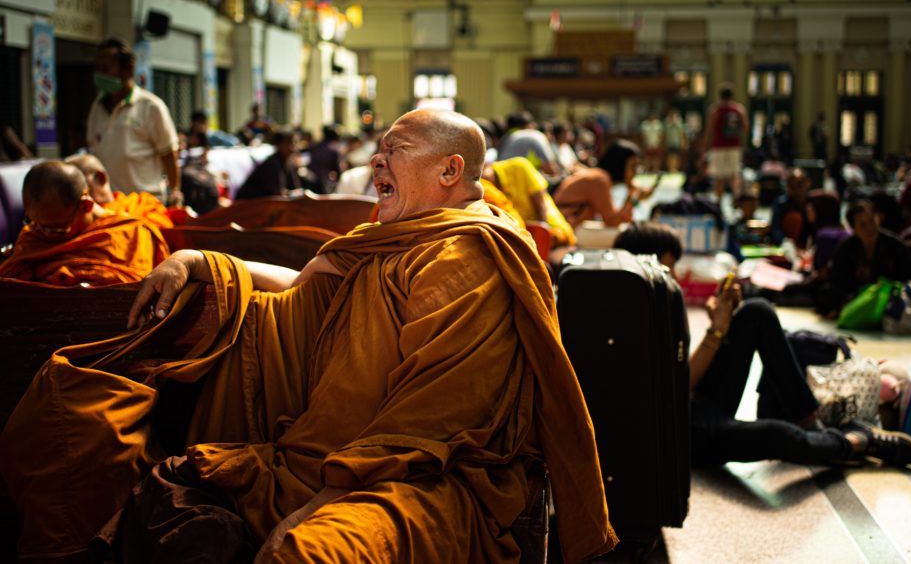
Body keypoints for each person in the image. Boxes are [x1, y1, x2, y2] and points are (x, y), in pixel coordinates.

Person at [0, 109, 617, 563]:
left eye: (394, 151)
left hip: (425, 481)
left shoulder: (464, 257)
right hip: (324, 458)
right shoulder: (394, 238)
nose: (376, 162)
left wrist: (318, 501)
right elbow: (309, 283)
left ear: (451, 169)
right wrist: (203, 264)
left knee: (308, 553)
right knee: (119, 444)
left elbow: (431, 422)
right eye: (378, 150)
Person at [612, 221, 911, 469]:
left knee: (756, 312)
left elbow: (683, 380)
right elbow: (673, 391)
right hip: (682, 432)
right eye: (668, 268)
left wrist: (722, 323)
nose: (675, 276)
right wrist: (717, 333)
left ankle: (809, 419)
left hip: (693, 403)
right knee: (779, 435)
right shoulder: (626, 318)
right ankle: (857, 441)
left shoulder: (658, 302)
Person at [0, 161, 169, 286]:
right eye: (33, 222)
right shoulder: (33, 235)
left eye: (57, 229)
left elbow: (132, 288)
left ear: (86, 205)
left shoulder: (131, 232)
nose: (44, 234)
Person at [85, 37, 182, 206]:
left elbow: (168, 154)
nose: (100, 74)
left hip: (146, 203)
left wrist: (174, 191)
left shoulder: (151, 106)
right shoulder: (97, 107)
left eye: (106, 68)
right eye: (98, 68)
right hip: (110, 204)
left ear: (128, 70)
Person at [818, 199, 911, 316]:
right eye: (862, 224)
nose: (869, 228)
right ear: (853, 229)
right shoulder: (846, 247)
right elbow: (838, 279)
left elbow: (907, 277)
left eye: (871, 221)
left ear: (878, 219)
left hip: (886, 296)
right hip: (856, 296)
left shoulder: (895, 245)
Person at [553, 139, 653, 228]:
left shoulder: (600, 176)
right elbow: (612, 222)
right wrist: (635, 198)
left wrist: (631, 192)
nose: (635, 172)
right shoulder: (599, 179)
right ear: (619, 165)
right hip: (562, 227)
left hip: (567, 225)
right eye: (633, 166)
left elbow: (622, 219)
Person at [483, 156, 576, 248]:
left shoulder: (519, 165)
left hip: (552, 230)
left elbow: (541, 203)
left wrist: (542, 235)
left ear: (486, 165)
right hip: (527, 236)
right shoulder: (487, 189)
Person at [65, 153, 174, 228]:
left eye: (75, 182)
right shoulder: (72, 220)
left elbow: (163, 231)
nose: (71, 191)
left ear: (100, 178)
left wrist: (103, 215)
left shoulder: (142, 203)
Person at [703, 83, 748, 200]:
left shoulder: (715, 110)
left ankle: (718, 203)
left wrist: (705, 147)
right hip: (734, 147)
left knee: (719, 177)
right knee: (734, 176)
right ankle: (737, 202)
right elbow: (745, 128)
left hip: (718, 147)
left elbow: (709, 130)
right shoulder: (739, 109)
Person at [234, 130, 304, 200]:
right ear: (278, 144)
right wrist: (294, 193)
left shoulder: (289, 163)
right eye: (289, 143)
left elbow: (296, 189)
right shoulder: (271, 164)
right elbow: (279, 195)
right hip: (248, 205)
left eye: (294, 143)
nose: (293, 147)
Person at [496, 111, 561, 177]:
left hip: (499, 176)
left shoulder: (506, 137)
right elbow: (550, 167)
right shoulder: (533, 135)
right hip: (515, 179)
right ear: (530, 125)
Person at [769, 167, 813, 247]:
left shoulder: (814, 203)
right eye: (792, 186)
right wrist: (785, 242)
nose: (796, 190)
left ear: (808, 183)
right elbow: (775, 229)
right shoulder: (780, 203)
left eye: (800, 185)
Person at [305, 125, 348, 194]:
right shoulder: (335, 148)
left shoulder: (315, 147)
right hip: (328, 183)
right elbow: (339, 168)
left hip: (314, 182)